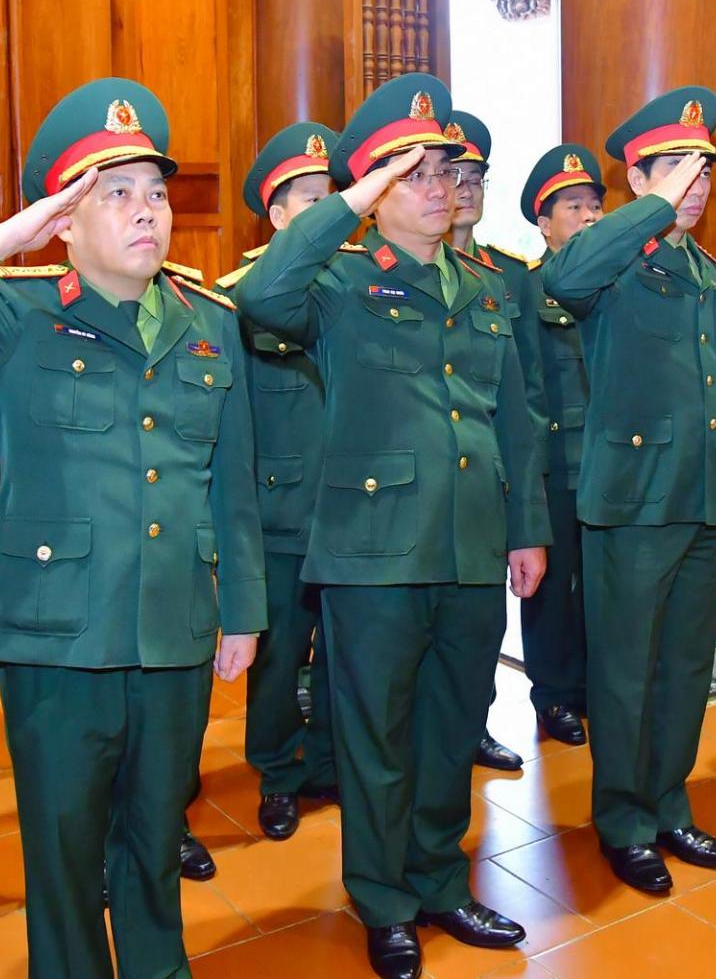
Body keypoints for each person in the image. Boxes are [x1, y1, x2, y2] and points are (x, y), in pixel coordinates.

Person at [0, 77, 263, 978]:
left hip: (174, 631)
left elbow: (229, 485)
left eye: (153, 191)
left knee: (156, 834)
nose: (144, 210)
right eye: (112, 194)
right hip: (55, 639)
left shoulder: (209, 326)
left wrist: (242, 608)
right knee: (66, 850)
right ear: (64, 222)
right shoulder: (14, 315)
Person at [235, 73, 548, 979]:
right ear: (372, 191)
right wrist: (351, 201)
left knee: (454, 721)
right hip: (374, 549)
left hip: (470, 542)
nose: (441, 186)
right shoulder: (335, 281)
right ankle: (383, 897)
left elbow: (514, 419)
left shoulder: (486, 287)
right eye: (415, 173)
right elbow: (263, 300)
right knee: (376, 730)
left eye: (447, 170)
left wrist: (525, 528)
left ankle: (440, 878)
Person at [543, 88, 716, 891]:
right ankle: (623, 819)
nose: (696, 187)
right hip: (631, 500)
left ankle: (669, 803)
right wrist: (649, 206)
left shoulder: (704, 267)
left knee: (685, 664)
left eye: (704, 173)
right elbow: (564, 278)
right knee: (625, 670)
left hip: (698, 497)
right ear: (640, 177)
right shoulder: (613, 255)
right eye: (679, 172)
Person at [218, 121, 342, 841]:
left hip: (354, 511)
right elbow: (232, 425)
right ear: (277, 213)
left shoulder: (358, 285)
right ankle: (276, 770)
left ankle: (329, 761)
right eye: (306, 199)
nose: (323, 211)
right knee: (277, 656)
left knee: (346, 653)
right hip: (279, 513)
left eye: (332, 196)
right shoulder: (240, 296)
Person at [446, 110, 551, 762]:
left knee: (481, 626)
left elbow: (528, 397)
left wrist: (527, 511)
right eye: (448, 174)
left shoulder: (509, 275)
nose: (462, 187)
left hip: (492, 479)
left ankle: (475, 723)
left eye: (474, 175)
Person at [516, 143, 607, 749]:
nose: (590, 216)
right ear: (544, 222)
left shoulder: (618, 283)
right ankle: (552, 695)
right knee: (552, 590)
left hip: (612, 464)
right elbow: (523, 387)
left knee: (605, 587)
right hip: (555, 465)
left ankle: (597, 686)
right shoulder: (526, 290)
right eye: (574, 206)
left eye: (596, 205)